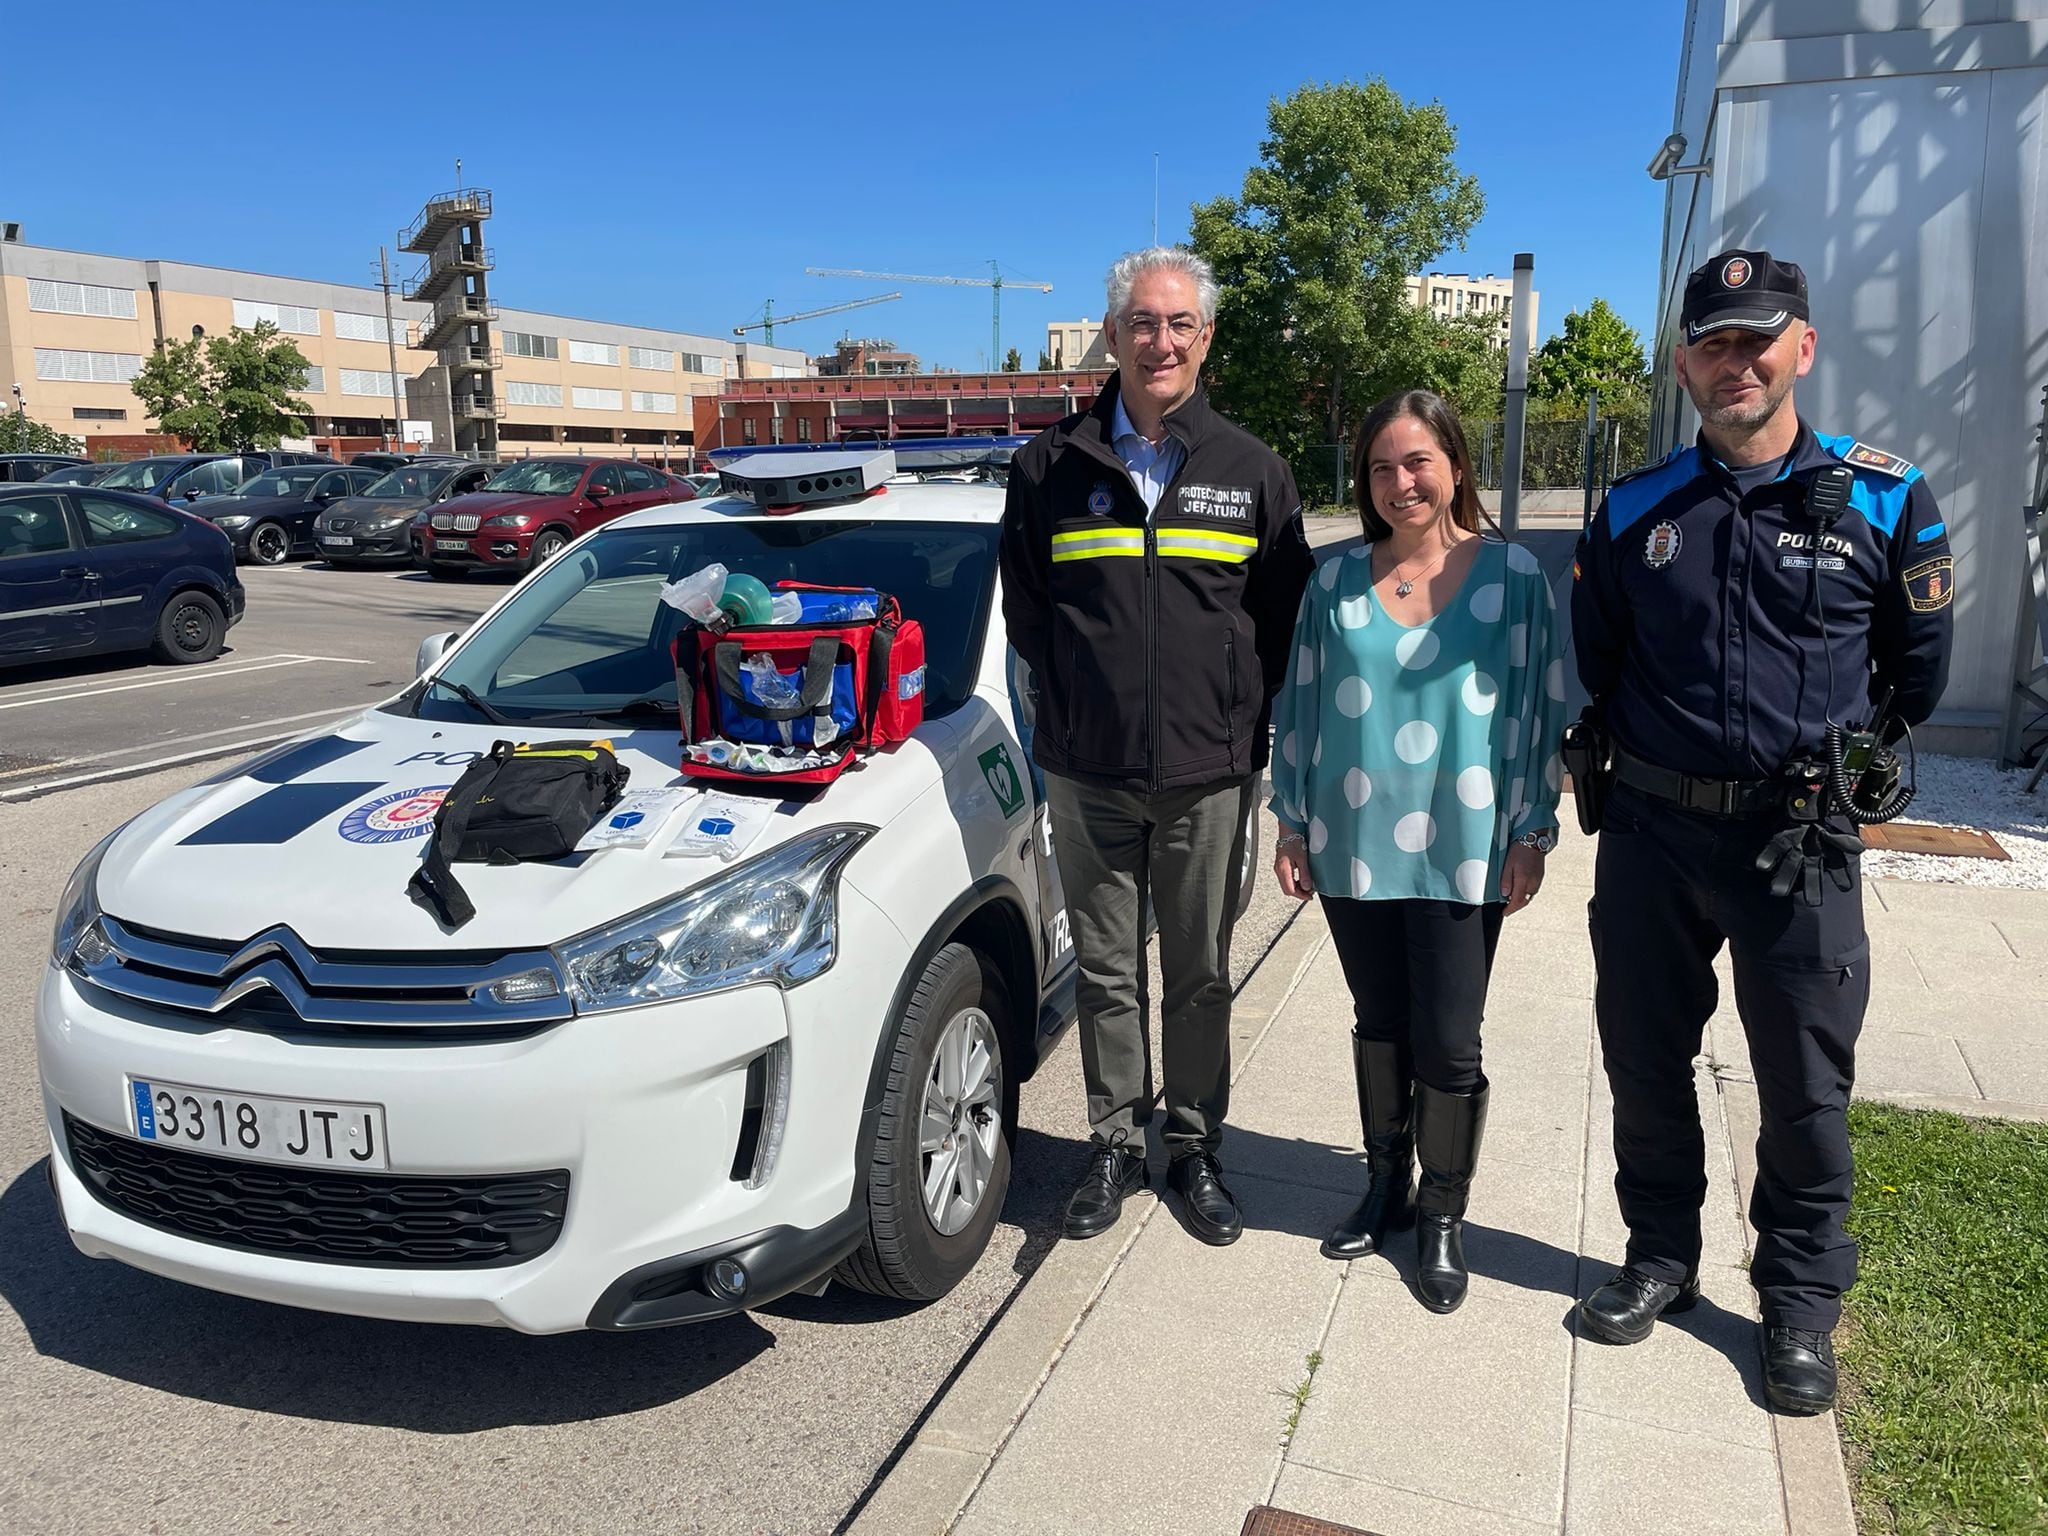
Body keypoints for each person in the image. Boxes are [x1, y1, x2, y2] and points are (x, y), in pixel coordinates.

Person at [1571, 250, 1954, 1413]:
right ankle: (1660, 1258)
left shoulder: (1883, 498)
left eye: (1756, 338)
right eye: (1712, 343)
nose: (1733, 362)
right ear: (1683, 361)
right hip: (1648, 835)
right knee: (1643, 1064)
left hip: (1797, 846)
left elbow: (1916, 674)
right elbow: (1602, 662)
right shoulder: (1634, 510)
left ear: (1802, 347)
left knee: (1800, 1087)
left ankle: (1795, 1305)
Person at [999, 246, 1314, 1246]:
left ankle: (1195, 1141)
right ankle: (1114, 1144)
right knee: (1102, 969)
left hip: (1208, 776)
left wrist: (1231, 719)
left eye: (1179, 323)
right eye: (1141, 321)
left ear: (1205, 338)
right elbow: (1028, 614)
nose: (1160, 339)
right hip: (1085, 771)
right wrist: (1087, 705)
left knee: (1199, 971)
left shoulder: (1250, 470)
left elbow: (1281, 618)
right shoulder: (1048, 467)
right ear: (1112, 334)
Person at [1269, 389, 1566, 1313]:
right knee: (1379, 1020)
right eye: (1381, 468)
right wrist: (1289, 821)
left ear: (1455, 466)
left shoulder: (1514, 577)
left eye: (1417, 462)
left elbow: (1538, 710)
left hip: (1465, 848)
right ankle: (1385, 1184)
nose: (1401, 482)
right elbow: (1303, 705)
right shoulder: (1334, 583)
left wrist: (1531, 831)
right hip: (1352, 841)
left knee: (1449, 1038)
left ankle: (1443, 1214)